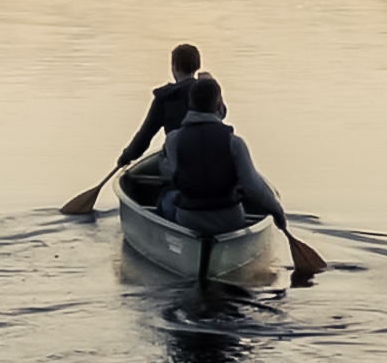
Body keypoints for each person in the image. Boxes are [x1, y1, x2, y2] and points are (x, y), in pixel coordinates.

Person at [158, 75, 285, 235]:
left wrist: (163, 162)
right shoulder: (235, 143)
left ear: (190, 103)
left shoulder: (173, 140)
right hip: (230, 220)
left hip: (190, 219)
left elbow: (171, 173)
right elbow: (252, 185)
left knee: (167, 198)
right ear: (219, 105)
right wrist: (277, 211)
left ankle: (170, 240)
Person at [110, 42, 205, 199]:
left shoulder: (165, 98)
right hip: (206, 159)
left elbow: (145, 135)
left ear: (174, 66)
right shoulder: (207, 93)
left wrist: (125, 157)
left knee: (144, 171)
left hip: (175, 162)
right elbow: (221, 113)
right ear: (197, 66)